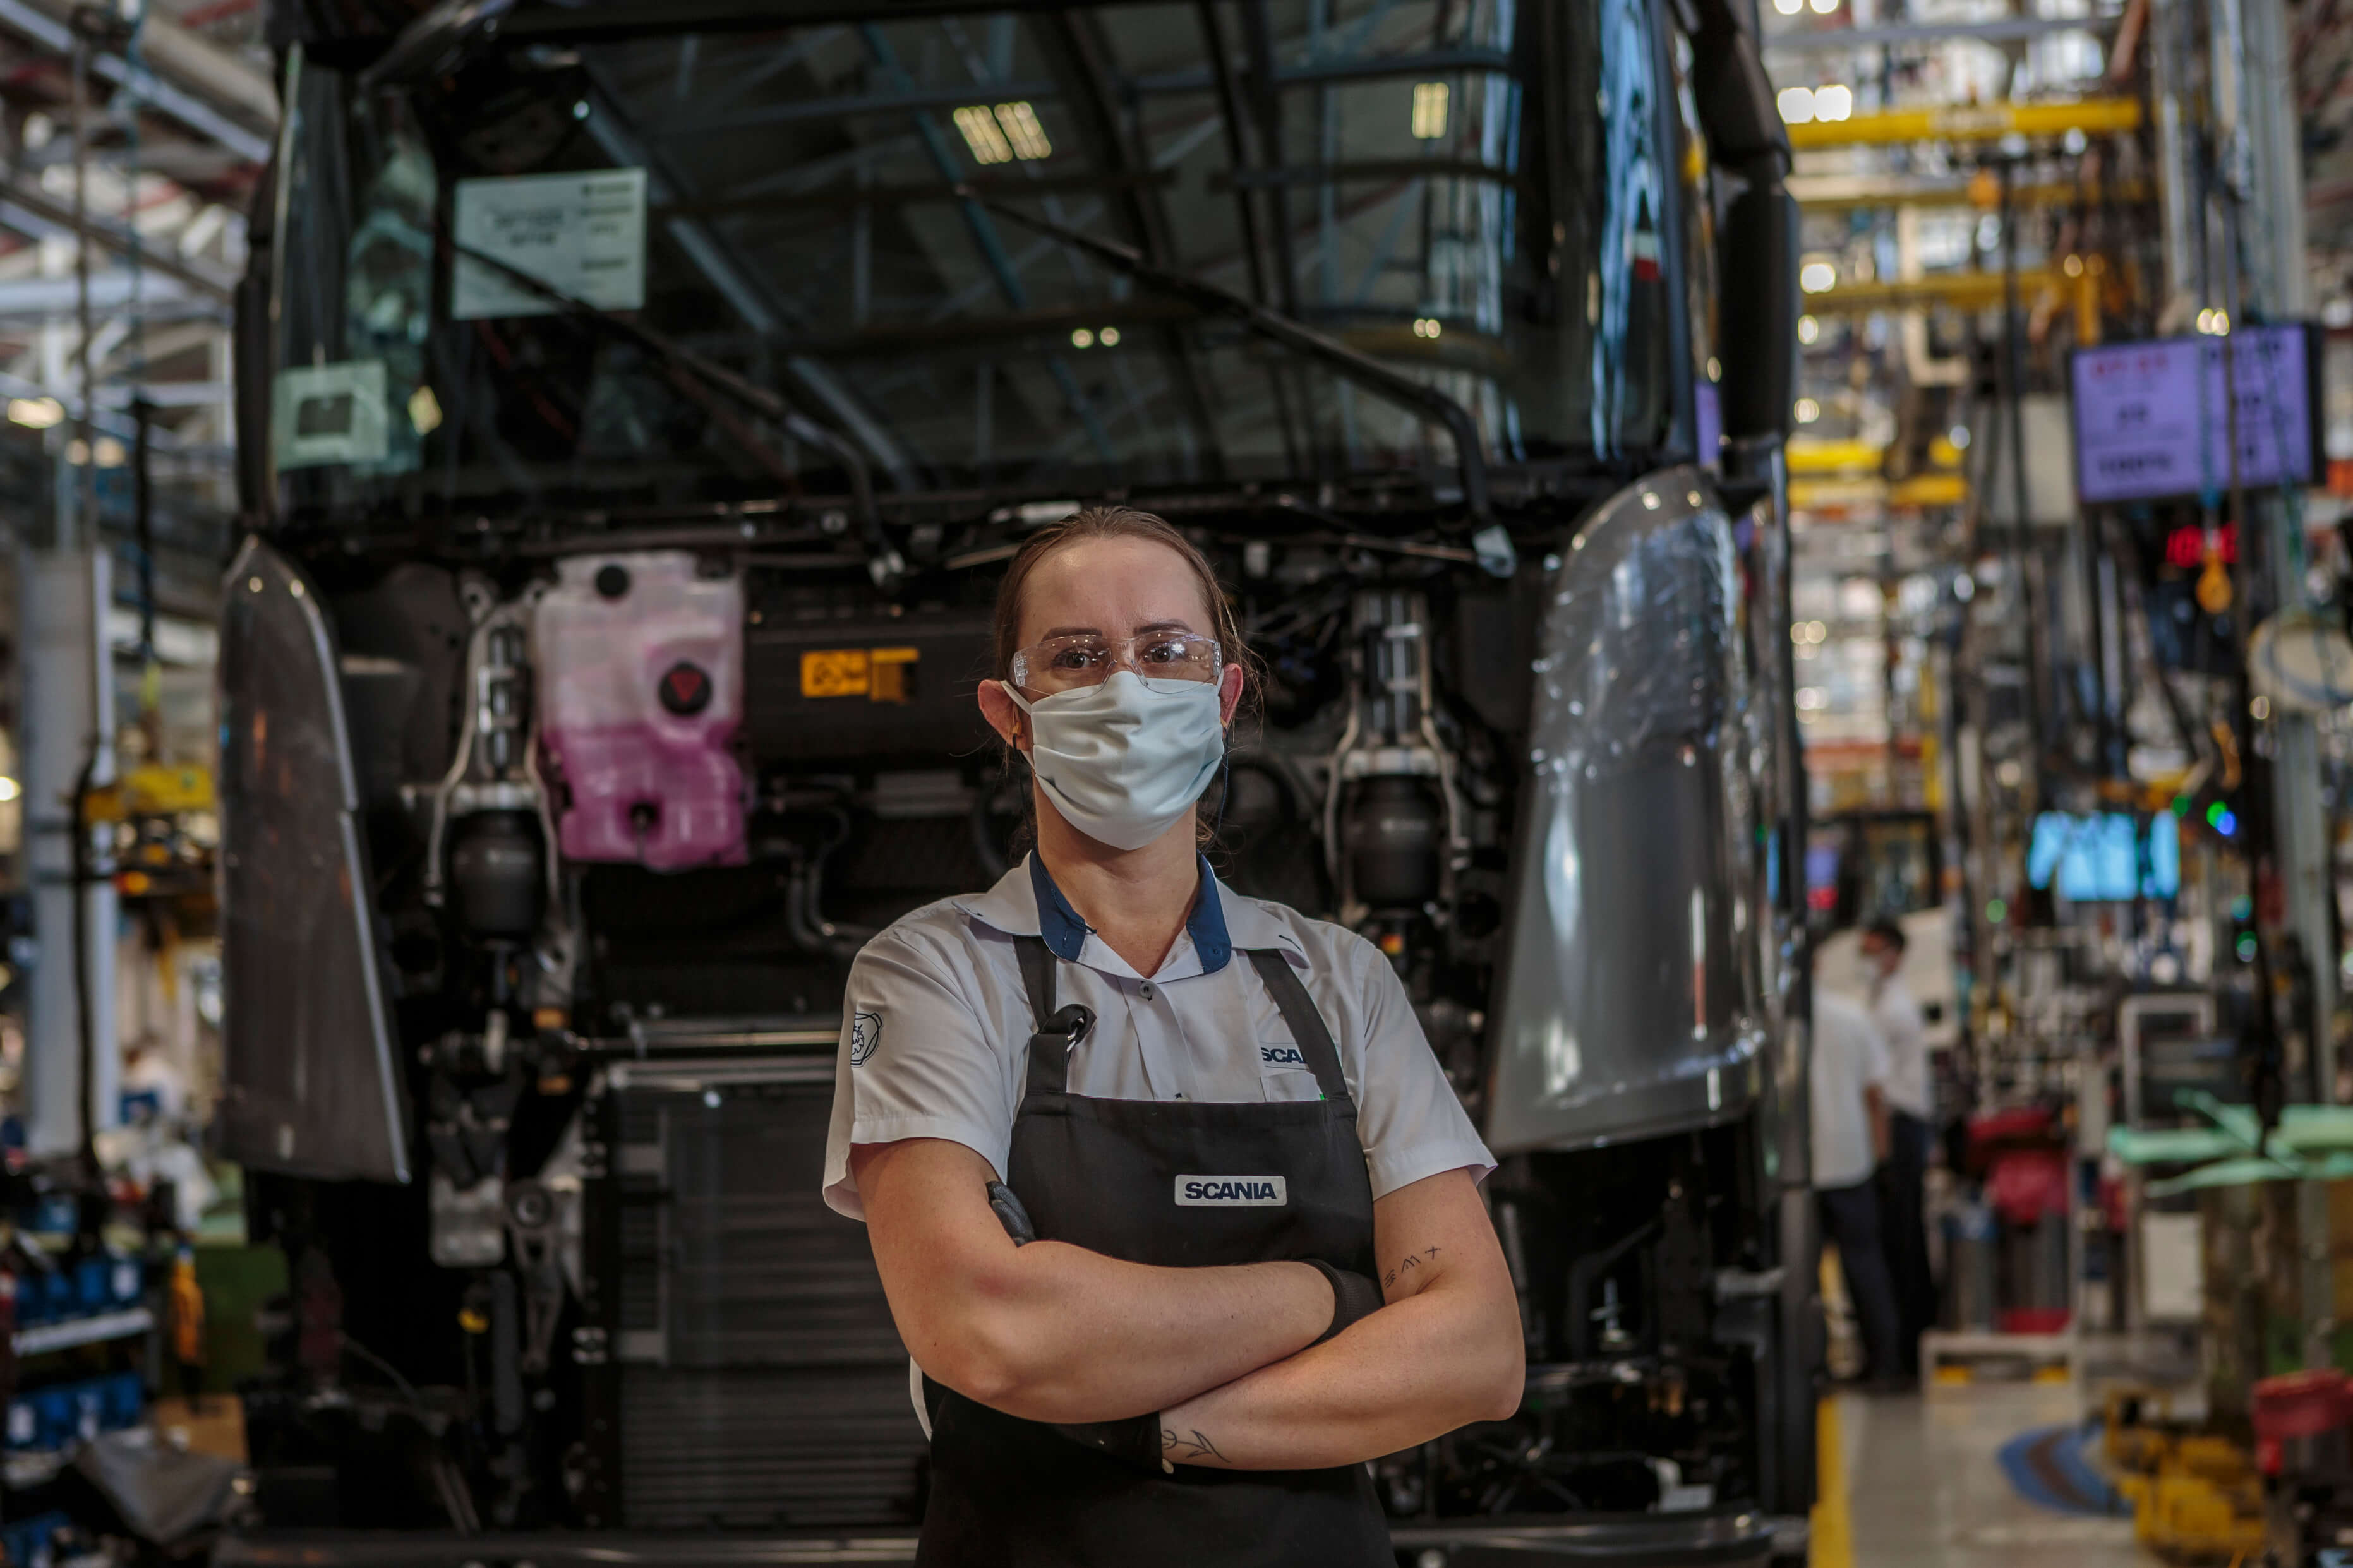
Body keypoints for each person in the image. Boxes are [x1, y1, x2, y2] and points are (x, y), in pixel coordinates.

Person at [822, 506, 1523, 1567]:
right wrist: (1328, 1295)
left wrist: (1138, 1427)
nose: (1127, 688)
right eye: (1078, 657)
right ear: (1011, 715)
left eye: (1164, 652)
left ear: (1223, 697)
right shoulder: (934, 969)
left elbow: (1476, 1350)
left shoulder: (1339, 981)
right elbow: (988, 1328)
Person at [1811, 987, 1903, 1387]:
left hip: (1804, 1169)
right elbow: (1875, 1095)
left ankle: (1815, 1368)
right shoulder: (1851, 1016)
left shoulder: (1780, 1023)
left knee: (1806, 1278)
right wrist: (1884, 1160)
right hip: (1851, 1161)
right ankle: (1885, 1364)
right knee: (1865, 1266)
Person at [1861, 918, 1935, 1372]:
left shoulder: (1893, 1010)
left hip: (1901, 1128)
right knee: (1900, 1236)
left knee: (1901, 1237)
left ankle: (1907, 1349)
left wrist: (1881, 1153)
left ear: (1893, 955)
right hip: (1900, 1125)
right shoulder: (1881, 1000)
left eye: (1872, 952)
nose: (1865, 961)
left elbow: (1875, 1088)